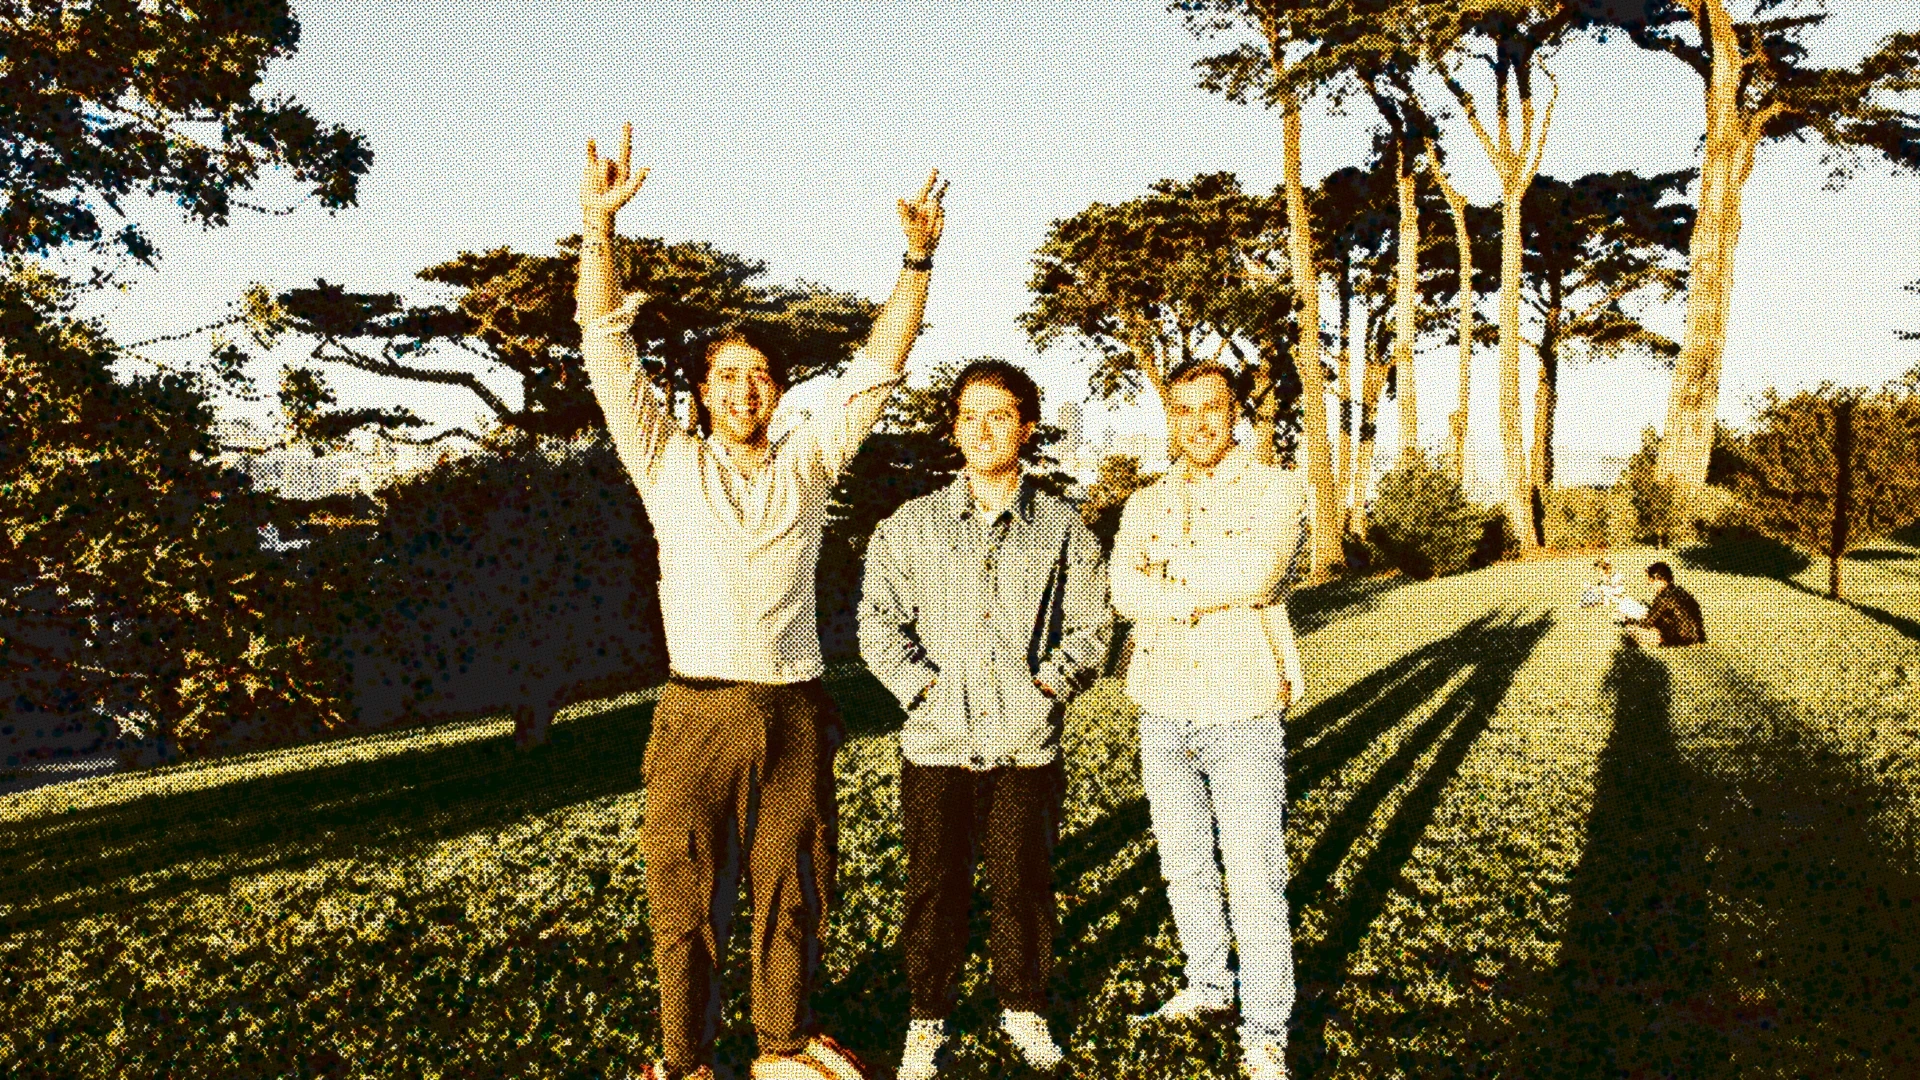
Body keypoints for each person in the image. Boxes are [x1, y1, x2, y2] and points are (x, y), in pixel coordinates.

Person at [573, 123, 947, 1080]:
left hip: (795, 705)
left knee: (794, 883)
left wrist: (917, 259)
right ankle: (684, 1059)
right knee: (685, 894)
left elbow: (879, 367)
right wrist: (598, 225)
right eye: (726, 377)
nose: (745, 390)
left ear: (779, 392)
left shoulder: (811, 461)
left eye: (761, 377)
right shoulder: (665, 459)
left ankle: (783, 1042)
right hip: (695, 708)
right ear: (698, 392)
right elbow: (603, 345)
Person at [858, 360, 1111, 1079]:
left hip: (1025, 745)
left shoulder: (1063, 529)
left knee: (1022, 881)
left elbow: (1092, 626)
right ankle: (926, 1018)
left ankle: (1024, 1007)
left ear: (1027, 425)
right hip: (936, 743)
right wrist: (922, 688)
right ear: (953, 429)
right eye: (968, 416)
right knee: (934, 885)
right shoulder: (910, 526)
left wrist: (1048, 686)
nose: (982, 429)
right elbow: (877, 624)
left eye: (999, 414)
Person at [1110, 360, 1310, 1080]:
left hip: (1241, 706)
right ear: (1170, 419)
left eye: (1212, 409)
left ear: (1236, 417)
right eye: (1184, 409)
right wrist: (1193, 581)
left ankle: (1264, 1030)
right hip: (1162, 706)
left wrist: (1170, 570)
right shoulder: (1145, 504)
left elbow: (1257, 574)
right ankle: (1207, 986)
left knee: (1254, 874)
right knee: (1184, 865)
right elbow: (1122, 589)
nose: (1198, 423)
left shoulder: (1276, 489)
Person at [1618, 560, 1707, 648]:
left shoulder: (1664, 596)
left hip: (1681, 638)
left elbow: (1647, 623)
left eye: (1651, 581)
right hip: (1697, 636)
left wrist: (1628, 621)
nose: (1650, 585)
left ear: (1658, 579)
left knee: (1630, 630)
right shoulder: (1680, 591)